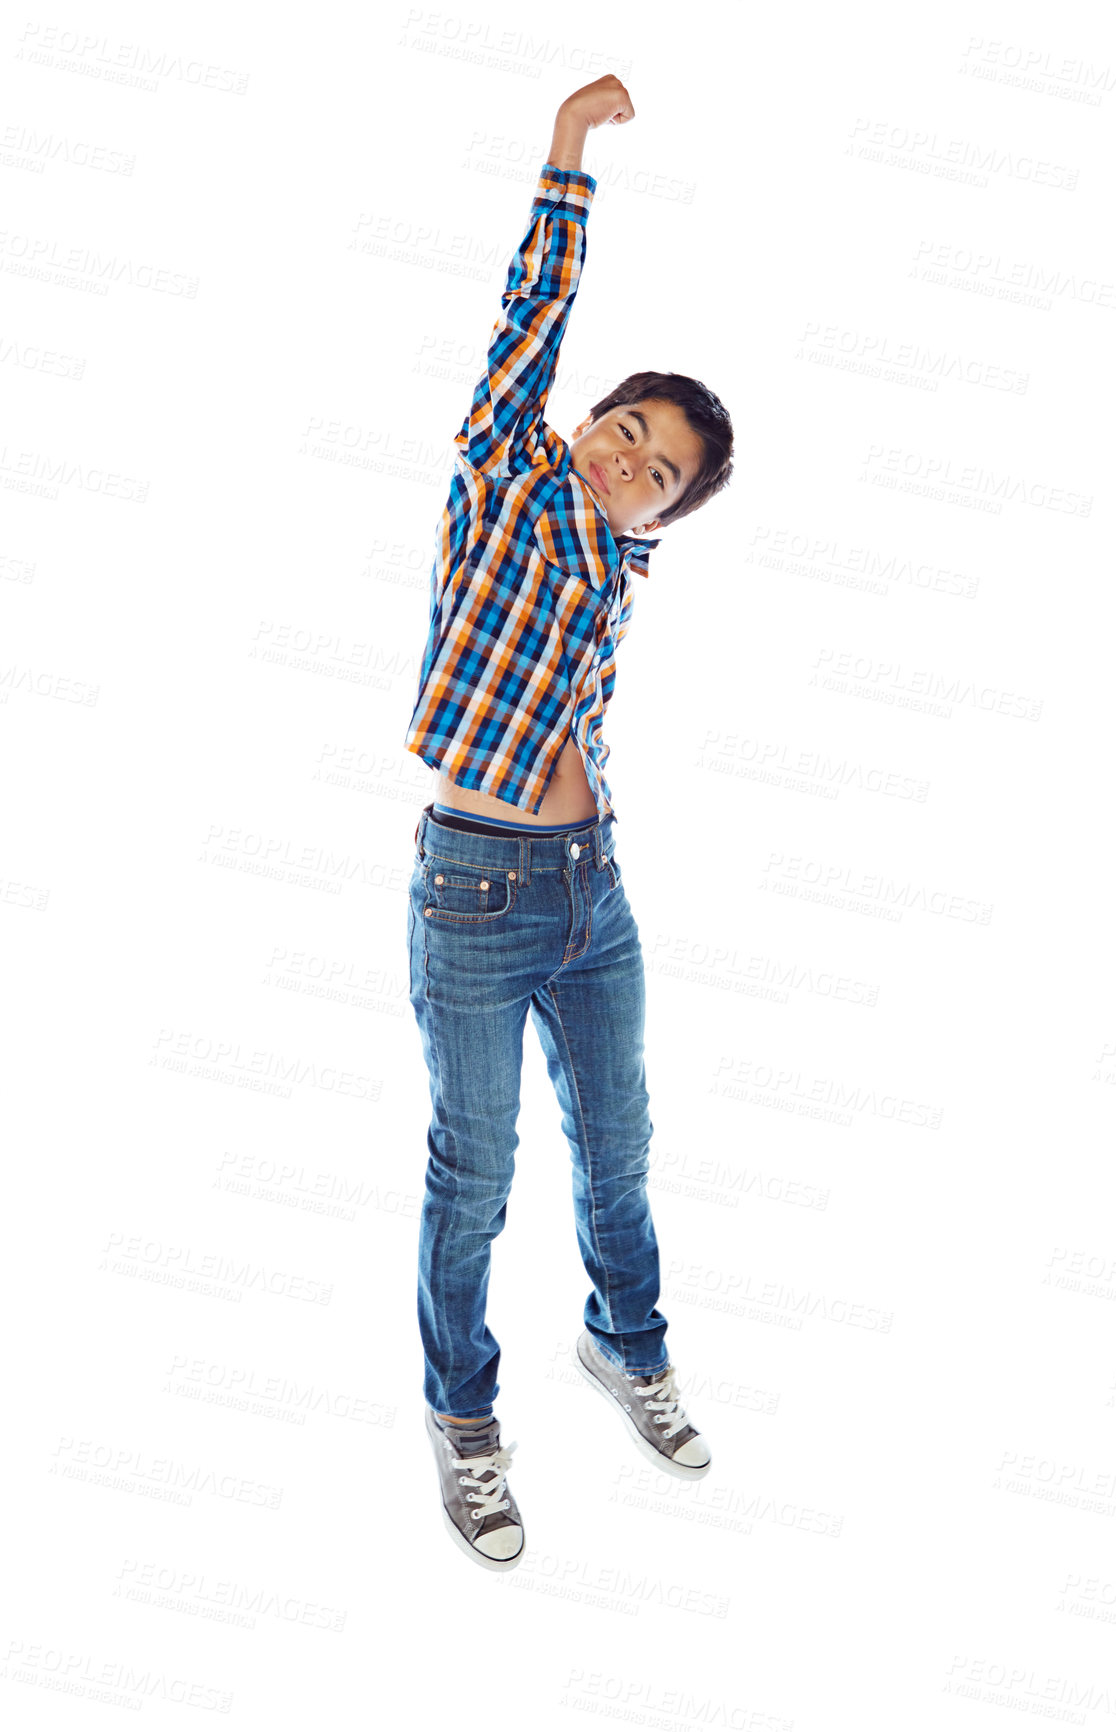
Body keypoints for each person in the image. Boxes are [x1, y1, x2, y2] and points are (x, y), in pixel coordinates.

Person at [402, 73, 735, 1571]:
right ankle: (464, 1419)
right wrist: (564, 149)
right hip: (473, 890)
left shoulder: (618, 567)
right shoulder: (505, 477)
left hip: (593, 890)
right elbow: (525, 321)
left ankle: (628, 1344)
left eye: (657, 473)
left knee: (620, 1144)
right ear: (587, 417)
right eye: (624, 430)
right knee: (474, 1173)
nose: (626, 461)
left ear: (662, 516)